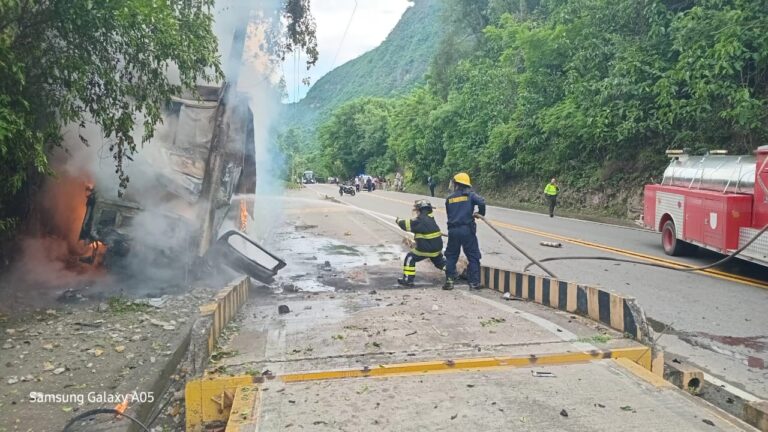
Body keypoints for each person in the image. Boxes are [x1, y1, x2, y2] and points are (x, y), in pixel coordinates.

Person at [443, 172, 485, 291]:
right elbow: (481, 202)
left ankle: (449, 281)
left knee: (451, 256)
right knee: (473, 256)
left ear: (456, 184)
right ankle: (474, 283)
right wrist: (480, 213)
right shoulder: (470, 195)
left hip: (453, 231)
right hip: (467, 230)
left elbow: (451, 214)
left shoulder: (449, 199)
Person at [396, 200, 446, 287]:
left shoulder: (420, 220)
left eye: (417, 210)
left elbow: (405, 225)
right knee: (440, 262)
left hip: (426, 248)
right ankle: (453, 274)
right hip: (437, 248)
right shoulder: (431, 218)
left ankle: (408, 280)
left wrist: (398, 220)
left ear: (420, 210)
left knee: (410, 258)